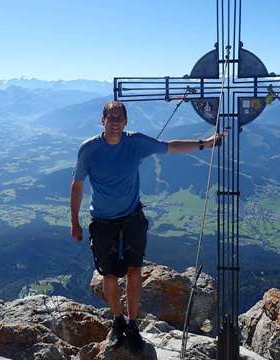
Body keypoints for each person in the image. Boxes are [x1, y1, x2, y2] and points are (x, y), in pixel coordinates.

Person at [69, 100, 223, 354]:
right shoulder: (89, 149)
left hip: (132, 216)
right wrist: (74, 222)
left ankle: (132, 323)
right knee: (109, 275)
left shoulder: (136, 142)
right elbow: (77, 185)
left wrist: (204, 144)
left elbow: (170, 147)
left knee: (134, 271)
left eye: (120, 118)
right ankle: (118, 321)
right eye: (111, 118)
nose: (116, 122)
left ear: (126, 121)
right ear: (103, 120)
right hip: (103, 220)